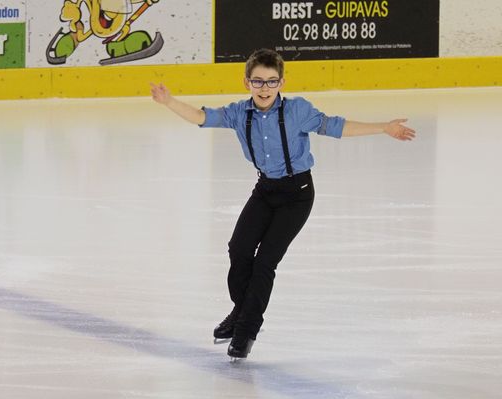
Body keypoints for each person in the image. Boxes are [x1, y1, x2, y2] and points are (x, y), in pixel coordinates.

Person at [150, 48, 415, 359]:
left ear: (282, 82)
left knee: (264, 263)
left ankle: (246, 330)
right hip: (265, 190)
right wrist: (168, 102)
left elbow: (336, 127)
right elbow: (201, 117)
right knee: (239, 250)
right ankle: (242, 312)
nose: (265, 88)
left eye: (271, 82)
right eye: (258, 82)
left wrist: (383, 126)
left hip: (297, 194)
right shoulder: (239, 113)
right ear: (246, 82)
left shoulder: (297, 111)